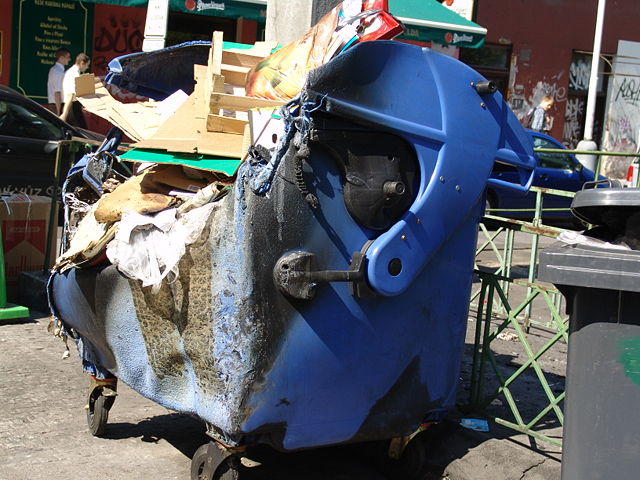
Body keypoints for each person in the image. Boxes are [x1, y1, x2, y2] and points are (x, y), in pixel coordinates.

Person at [60, 52, 91, 128]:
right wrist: (64, 113)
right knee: (82, 132)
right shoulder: (74, 74)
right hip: (71, 107)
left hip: (71, 105)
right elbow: (70, 95)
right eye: (87, 65)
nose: (87, 67)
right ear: (82, 63)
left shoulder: (71, 72)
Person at [47, 48, 71, 115]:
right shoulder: (57, 71)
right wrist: (58, 112)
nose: (69, 59)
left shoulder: (55, 70)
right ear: (61, 58)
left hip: (56, 104)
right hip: (56, 105)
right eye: (68, 57)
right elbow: (57, 92)